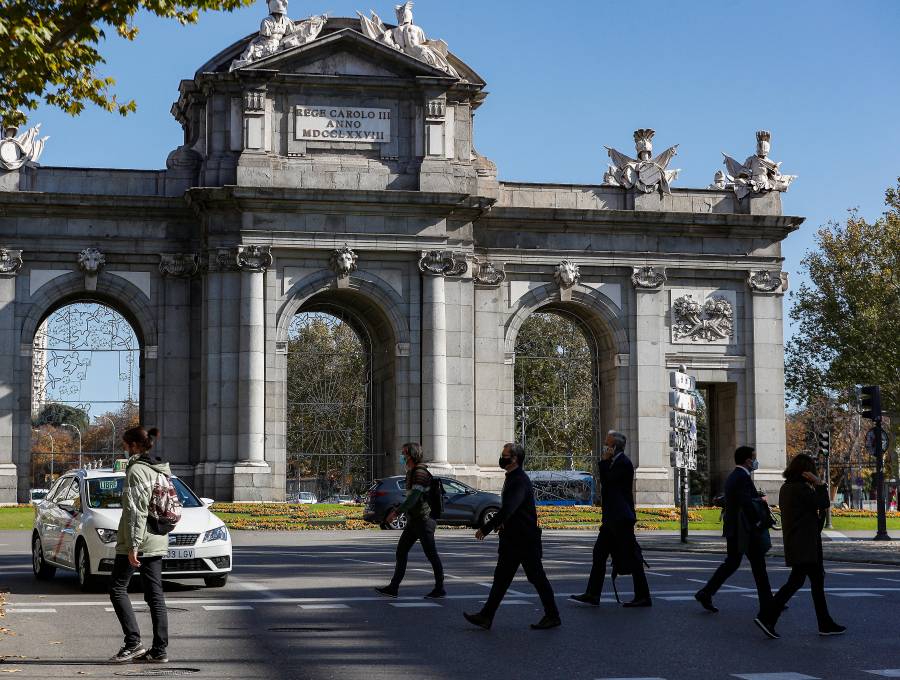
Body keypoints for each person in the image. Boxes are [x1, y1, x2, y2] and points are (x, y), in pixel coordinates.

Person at [463, 443, 561, 630]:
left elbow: (508, 509)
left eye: (505, 454)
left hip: (524, 540)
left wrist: (486, 528)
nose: (502, 457)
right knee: (501, 578)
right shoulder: (513, 478)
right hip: (513, 540)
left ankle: (553, 615)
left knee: (536, 577)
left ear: (514, 458)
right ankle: (486, 616)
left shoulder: (519, 480)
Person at [754, 454, 845, 639]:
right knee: (797, 581)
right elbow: (823, 503)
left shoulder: (787, 487)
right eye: (812, 470)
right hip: (805, 544)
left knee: (814, 581)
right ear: (805, 472)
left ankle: (824, 622)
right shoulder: (800, 489)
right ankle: (767, 616)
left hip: (801, 542)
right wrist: (819, 484)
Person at [108, 426, 170, 663]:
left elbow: (136, 512)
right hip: (156, 537)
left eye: (125, 444)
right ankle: (159, 650)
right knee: (155, 594)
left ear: (134, 446)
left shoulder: (136, 471)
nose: (123, 449)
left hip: (138, 540)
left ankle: (133, 642)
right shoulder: (159, 468)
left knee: (117, 588)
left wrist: (133, 546)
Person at [570, 431, 652, 608]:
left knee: (633, 557)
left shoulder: (623, 463)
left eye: (607, 444)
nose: (604, 447)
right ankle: (593, 594)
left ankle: (643, 596)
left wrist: (605, 460)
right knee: (599, 554)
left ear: (614, 447)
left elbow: (608, 482)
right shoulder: (615, 462)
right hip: (611, 520)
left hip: (621, 519)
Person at [694, 445, 772, 617]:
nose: (755, 461)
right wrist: (758, 520)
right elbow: (746, 502)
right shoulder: (742, 477)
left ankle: (706, 593)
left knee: (733, 563)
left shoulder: (734, 476)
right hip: (745, 530)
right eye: (753, 457)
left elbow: (736, 500)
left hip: (735, 528)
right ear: (747, 460)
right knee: (758, 566)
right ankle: (769, 604)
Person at [375, 443, 445, 599]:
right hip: (415, 520)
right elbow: (411, 497)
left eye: (404, 453)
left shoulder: (420, 473)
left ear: (411, 455)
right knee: (401, 551)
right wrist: (400, 508)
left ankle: (440, 588)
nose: (401, 456)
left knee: (431, 554)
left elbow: (414, 498)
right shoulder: (412, 472)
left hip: (424, 520)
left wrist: (396, 512)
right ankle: (393, 587)